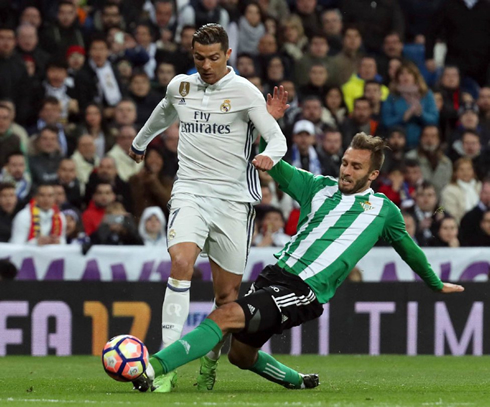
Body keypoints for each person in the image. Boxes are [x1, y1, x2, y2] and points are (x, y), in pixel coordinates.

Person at [131, 132, 464, 393]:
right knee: (241, 355)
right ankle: (297, 381)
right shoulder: (316, 186)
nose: (347, 171)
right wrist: (269, 125)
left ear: (373, 174)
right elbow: (272, 162)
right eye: (345, 163)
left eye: (356, 167)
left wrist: (434, 282)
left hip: (305, 290)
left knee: (225, 314)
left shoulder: (383, 211)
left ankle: (151, 368)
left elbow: (408, 249)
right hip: (274, 276)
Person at [128, 23, 287, 393]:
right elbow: (165, 111)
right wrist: (140, 143)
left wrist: (266, 154)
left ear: (228, 55)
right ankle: (165, 365)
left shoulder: (244, 92)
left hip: (234, 202)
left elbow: (277, 137)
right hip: (190, 192)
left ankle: (208, 366)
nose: (206, 65)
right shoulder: (180, 86)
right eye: (199, 58)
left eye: (214, 58)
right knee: (181, 262)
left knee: (227, 298)